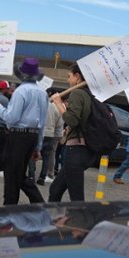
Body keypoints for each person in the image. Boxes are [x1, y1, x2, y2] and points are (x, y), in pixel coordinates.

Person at [0, 57, 48, 205]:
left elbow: (11, 118)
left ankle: (10, 208)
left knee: (12, 174)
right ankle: (37, 202)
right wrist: (37, 146)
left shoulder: (21, 91)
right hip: (32, 135)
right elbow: (43, 123)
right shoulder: (43, 93)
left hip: (18, 135)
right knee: (18, 174)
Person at [48, 64, 98, 202]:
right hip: (85, 151)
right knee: (55, 190)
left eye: (69, 76)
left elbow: (72, 120)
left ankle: (80, 222)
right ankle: (54, 220)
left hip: (76, 150)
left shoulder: (77, 93)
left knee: (76, 200)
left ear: (77, 76)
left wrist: (59, 103)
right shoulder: (90, 95)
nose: (67, 80)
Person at [28, 87, 63, 185]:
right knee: (47, 157)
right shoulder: (57, 107)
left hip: (38, 132)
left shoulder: (39, 104)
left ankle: (31, 176)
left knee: (33, 155)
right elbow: (59, 124)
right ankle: (42, 177)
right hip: (50, 134)